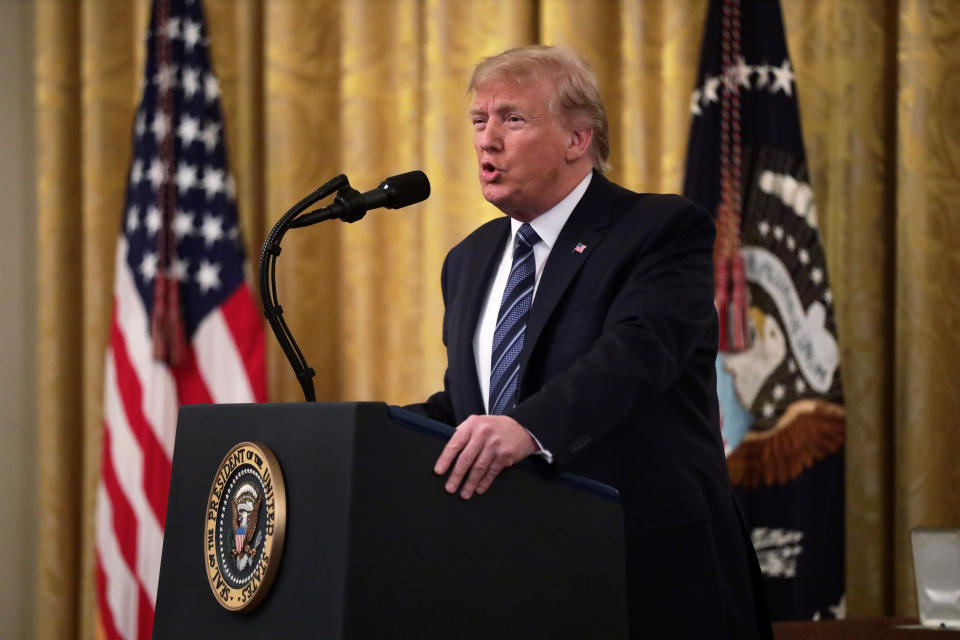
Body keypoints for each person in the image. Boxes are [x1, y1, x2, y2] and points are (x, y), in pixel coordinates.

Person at [407, 45, 773, 639]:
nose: (487, 140)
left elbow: (633, 356)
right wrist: (371, 432)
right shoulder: (469, 261)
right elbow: (473, 406)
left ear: (579, 138)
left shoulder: (659, 230)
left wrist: (527, 429)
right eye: (479, 120)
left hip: (647, 571)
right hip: (515, 577)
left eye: (512, 119)